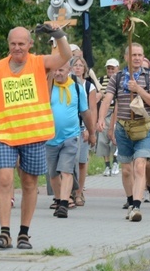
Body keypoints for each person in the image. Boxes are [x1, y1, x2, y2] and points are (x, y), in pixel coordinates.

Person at [0, 25, 71, 250]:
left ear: (30, 44)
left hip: (33, 134)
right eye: (13, 44)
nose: (17, 48)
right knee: (4, 180)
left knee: (29, 184)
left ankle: (24, 233)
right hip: (6, 135)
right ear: (8, 45)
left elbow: (67, 56)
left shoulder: (40, 62)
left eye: (22, 43)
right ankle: (4, 233)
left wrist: (58, 34)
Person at [97, 42, 150, 222]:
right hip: (123, 128)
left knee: (140, 165)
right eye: (134, 55)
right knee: (126, 170)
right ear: (126, 57)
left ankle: (137, 207)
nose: (137, 58)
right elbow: (107, 98)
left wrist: (138, 89)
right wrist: (101, 119)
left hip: (143, 127)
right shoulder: (117, 77)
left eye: (140, 55)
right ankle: (131, 201)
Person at [47, 60, 96, 218]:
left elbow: (85, 112)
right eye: (55, 70)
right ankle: (59, 197)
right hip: (50, 137)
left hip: (71, 135)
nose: (58, 73)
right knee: (53, 173)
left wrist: (92, 132)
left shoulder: (77, 87)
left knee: (66, 170)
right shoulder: (48, 86)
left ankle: (63, 204)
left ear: (69, 70)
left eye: (61, 70)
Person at [69, 56, 98, 207]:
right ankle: (68, 192)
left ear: (85, 69)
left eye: (81, 65)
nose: (78, 68)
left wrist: (89, 128)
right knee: (68, 162)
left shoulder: (89, 87)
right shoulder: (66, 84)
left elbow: (92, 109)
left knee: (81, 161)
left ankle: (79, 191)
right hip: (69, 128)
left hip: (82, 127)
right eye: (75, 65)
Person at [96, 58, 120, 177]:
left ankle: (116, 161)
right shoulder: (101, 80)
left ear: (117, 69)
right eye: (108, 68)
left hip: (117, 112)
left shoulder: (120, 80)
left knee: (115, 137)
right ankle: (107, 165)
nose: (110, 70)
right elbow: (99, 97)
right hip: (105, 112)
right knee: (103, 139)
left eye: (112, 68)